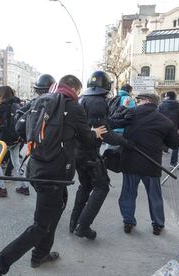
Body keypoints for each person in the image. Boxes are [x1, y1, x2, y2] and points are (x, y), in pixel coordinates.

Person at [0, 75, 107, 276]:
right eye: (77, 91)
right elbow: (87, 140)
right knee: (41, 225)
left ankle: (40, 254)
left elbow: (18, 128)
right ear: (74, 88)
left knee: (58, 206)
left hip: (36, 168)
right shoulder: (73, 107)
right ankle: (1, 263)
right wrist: (95, 133)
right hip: (53, 174)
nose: (77, 95)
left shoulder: (39, 101)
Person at [70, 71, 133, 240]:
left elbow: (101, 123)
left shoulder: (84, 99)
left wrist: (119, 121)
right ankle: (83, 226)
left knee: (85, 186)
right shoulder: (98, 101)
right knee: (102, 187)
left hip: (78, 152)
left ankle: (74, 222)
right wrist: (124, 142)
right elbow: (104, 132)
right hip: (88, 153)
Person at [111, 93, 179, 235]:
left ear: (146, 101)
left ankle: (128, 222)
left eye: (139, 100)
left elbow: (112, 123)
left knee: (128, 193)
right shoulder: (164, 121)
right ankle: (158, 224)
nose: (137, 102)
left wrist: (121, 109)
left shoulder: (130, 113)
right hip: (152, 163)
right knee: (154, 195)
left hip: (130, 161)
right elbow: (175, 143)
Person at [157, 91, 179, 168]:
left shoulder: (161, 105)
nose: (164, 97)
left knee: (159, 145)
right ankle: (173, 163)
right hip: (174, 128)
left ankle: (158, 163)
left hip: (162, 128)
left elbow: (157, 116)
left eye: (165, 96)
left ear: (168, 96)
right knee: (175, 146)